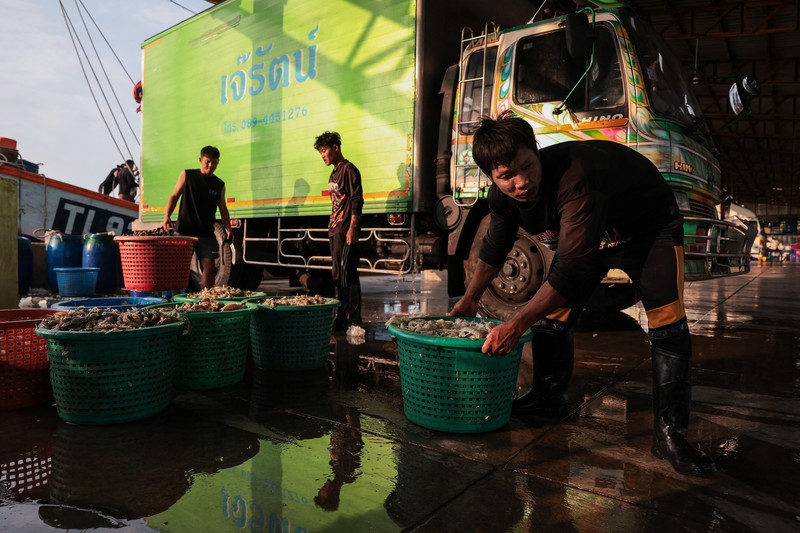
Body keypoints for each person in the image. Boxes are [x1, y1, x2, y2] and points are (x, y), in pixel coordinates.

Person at [449, 113, 715, 476]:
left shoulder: (575, 179)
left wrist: (515, 323)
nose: (522, 181)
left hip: (650, 229)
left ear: (536, 152)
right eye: (507, 176)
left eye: (528, 165)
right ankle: (550, 397)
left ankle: (671, 435)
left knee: (667, 322)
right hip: (597, 235)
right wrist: (469, 298)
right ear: (492, 178)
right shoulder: (502, 199)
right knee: (553, 318)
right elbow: (495, 246)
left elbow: (570, 267)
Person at [162, 145, 232, 289]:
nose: (211, 165)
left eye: (214, 162)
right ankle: (177, 300)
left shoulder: (219, 185)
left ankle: (205, 298)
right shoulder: (188, 175)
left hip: (206, 232)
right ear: (200, 160)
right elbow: (174, 195)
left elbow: (223, 209)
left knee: (210, 265)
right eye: (207, 161)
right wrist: (166, 216)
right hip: (184, 230)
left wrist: (229, 228)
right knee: (179, 266)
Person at [313, 131, 364, 330]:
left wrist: (353, 228)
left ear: (336, 148)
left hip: (345, 229)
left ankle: (352, 317)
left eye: (324, 151)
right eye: (320, 153)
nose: (323, 155)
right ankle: (343, 315)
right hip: (335, 229)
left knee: (346, 273)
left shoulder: (349, 170)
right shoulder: (334, 172)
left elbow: (356, 200)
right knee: (338, 274)